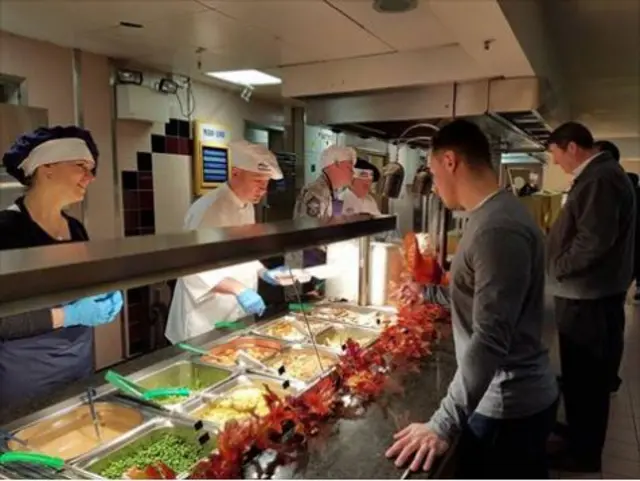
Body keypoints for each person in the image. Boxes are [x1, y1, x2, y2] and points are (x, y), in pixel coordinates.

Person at [385, 120, 558, 478]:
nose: (433, 185)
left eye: (432, 172)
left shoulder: (497, 229)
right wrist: (427, 292)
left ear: (450, 161)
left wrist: (442, 423)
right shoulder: (496, 215)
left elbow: (491, 336)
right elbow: (482, 293)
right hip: (506, 402)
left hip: (506, 410)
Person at [0, 126, 123, 406]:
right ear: (47, 169)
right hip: (26, 378)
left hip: (79, 364)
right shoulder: (6, 230)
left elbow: (82, 289)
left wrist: (104, 294)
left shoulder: (76, 228)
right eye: (81, 166)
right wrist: (70, 315)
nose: (90, 178)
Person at [546, 123, 635, 472]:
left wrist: (558, 269)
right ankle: (578, 437)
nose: (556, 163)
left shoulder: (599, 178)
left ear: (570, 147)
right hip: (593, 294)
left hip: (588, 297)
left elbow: (594, 241)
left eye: (554, 154)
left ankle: (583, 454)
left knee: (586, 380)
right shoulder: (603, 175)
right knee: (583, 378)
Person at [165, 140, 285, 344]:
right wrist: (239, 290)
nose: (263, 189)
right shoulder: (208, 209)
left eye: (266, 183)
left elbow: (241, 252)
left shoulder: (247, 206)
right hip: (204, 320)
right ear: (236, 173)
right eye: (258, 181)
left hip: (234, 314)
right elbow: (192, 269)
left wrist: (262, 271)